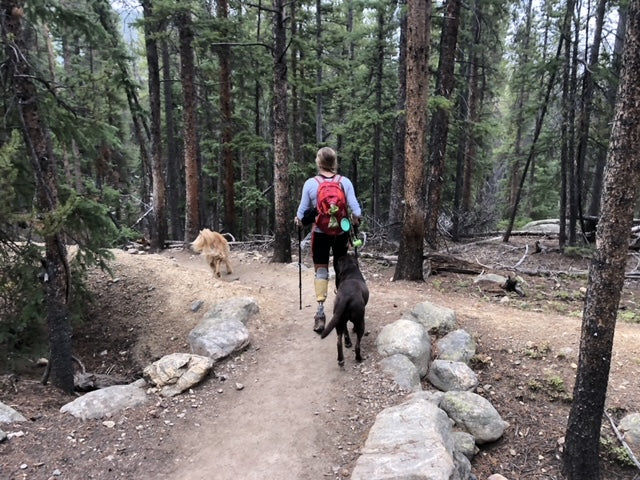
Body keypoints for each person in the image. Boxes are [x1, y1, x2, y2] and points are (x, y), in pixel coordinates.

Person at [295, 147, 362, 334]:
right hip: (340, 233)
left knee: (321, 271)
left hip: (320, 233)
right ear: (334, 162)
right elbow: (356, 211)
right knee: (342, 272)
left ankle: (320, 313)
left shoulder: (310, 183)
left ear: (318, 162)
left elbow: (301, 214)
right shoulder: (344, 182)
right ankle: (344, 308)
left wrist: (299, 221)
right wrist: (355, 219)